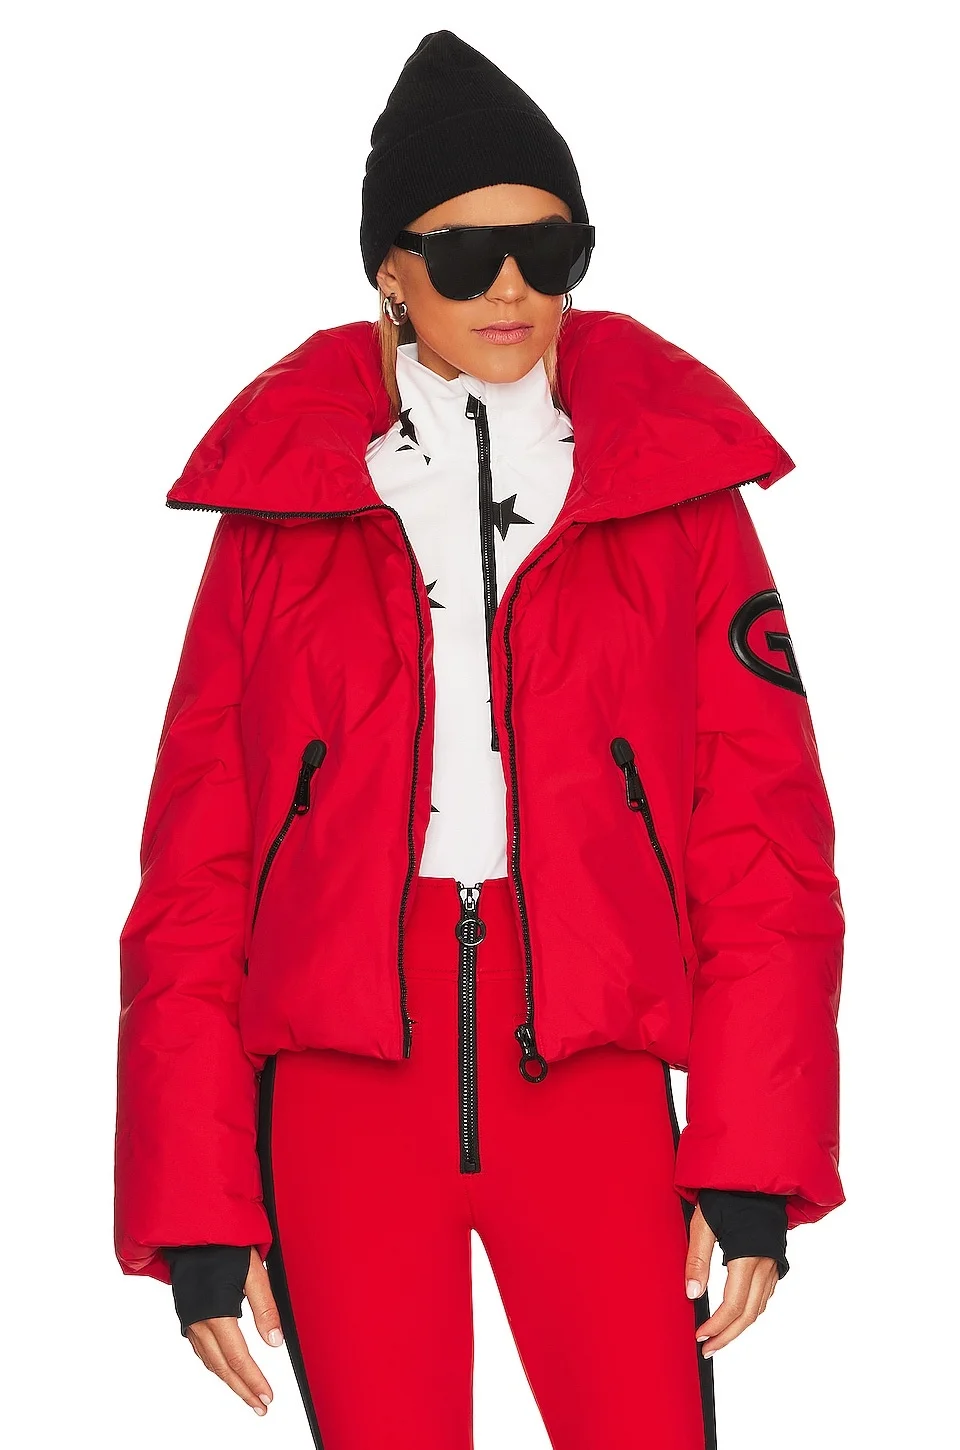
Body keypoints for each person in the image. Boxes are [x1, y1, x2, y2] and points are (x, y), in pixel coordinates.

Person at [114, 29, 844, 1450]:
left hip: (588, 1065)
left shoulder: (673, 494)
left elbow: (762, 838)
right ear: (389, 270)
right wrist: (196, 1201)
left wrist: (752, 1155)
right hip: (340, 1084)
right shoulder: (288, 506)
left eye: (547, 249)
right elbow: (197, 863)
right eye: (463, 256)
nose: (511, 288)